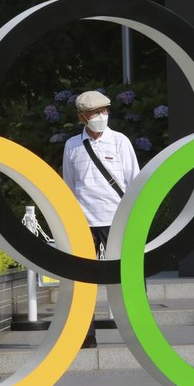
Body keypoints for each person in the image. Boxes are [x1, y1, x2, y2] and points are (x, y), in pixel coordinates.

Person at [62, 90, 140, 348]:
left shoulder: (120, 141)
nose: (101, 116)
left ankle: (138, 329)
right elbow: (69, 186)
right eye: (95, 112)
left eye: (105, 111)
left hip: (116, 217)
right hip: (83, 221)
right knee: (84, 280)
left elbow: (134, 180)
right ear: (82, 117)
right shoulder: (72, 145)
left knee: (127, 274)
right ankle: (86, 334)